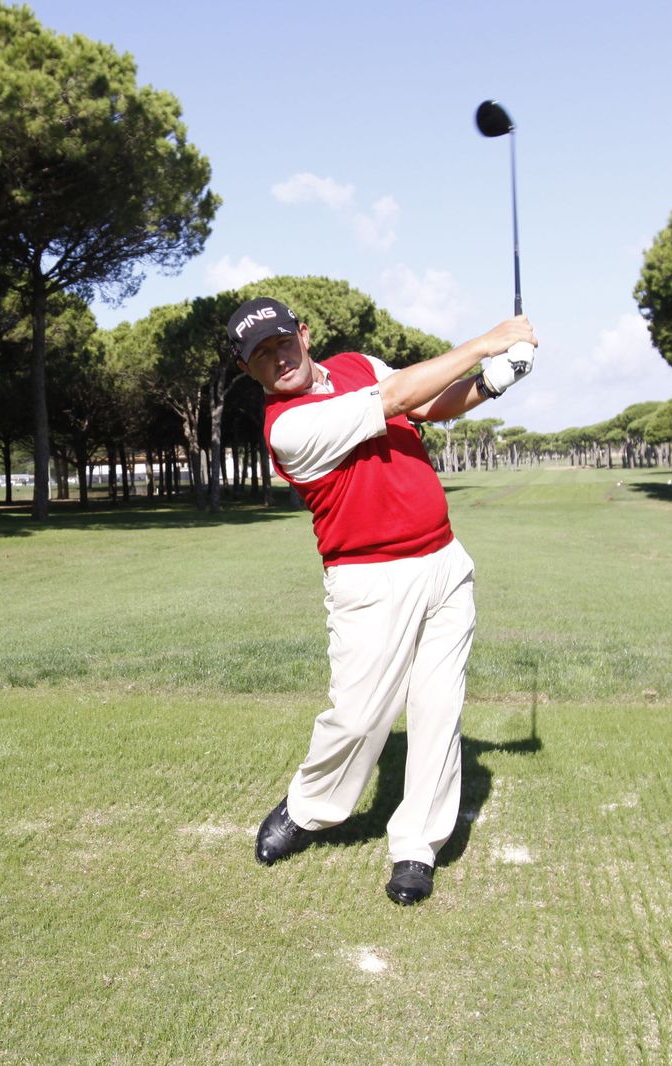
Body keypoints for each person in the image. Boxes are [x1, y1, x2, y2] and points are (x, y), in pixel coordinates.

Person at [229, 296, 537, 905]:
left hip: (444, 563)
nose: (277, 358)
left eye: (281, 341)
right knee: (359, 716)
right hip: (370, 582)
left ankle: (416, 847)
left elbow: (427, 403)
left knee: (437, 709)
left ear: (304, 333)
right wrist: (488, 340)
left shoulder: (356, 363)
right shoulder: (287, 427)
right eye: (260, 356)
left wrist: (496, 379)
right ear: (250, 372)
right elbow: (392, 401)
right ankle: (308, 807)